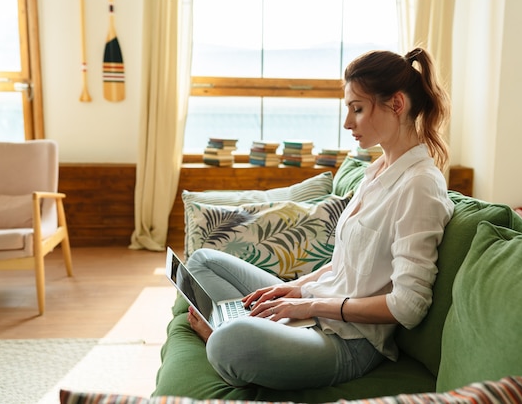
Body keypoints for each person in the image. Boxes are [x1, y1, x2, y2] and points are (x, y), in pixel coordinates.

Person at [185, 48, 455, 390]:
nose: (347, 123)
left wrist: (310, 304)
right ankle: (236, 325)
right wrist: (294, 289)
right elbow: (344, 264)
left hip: (349, 341)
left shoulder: (420, 186)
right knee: (201, 262)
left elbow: (409, 305)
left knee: (230, 343)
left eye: (357, 109)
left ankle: (222, 335)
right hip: (318, 306)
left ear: (396, 104)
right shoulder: (375, 171)